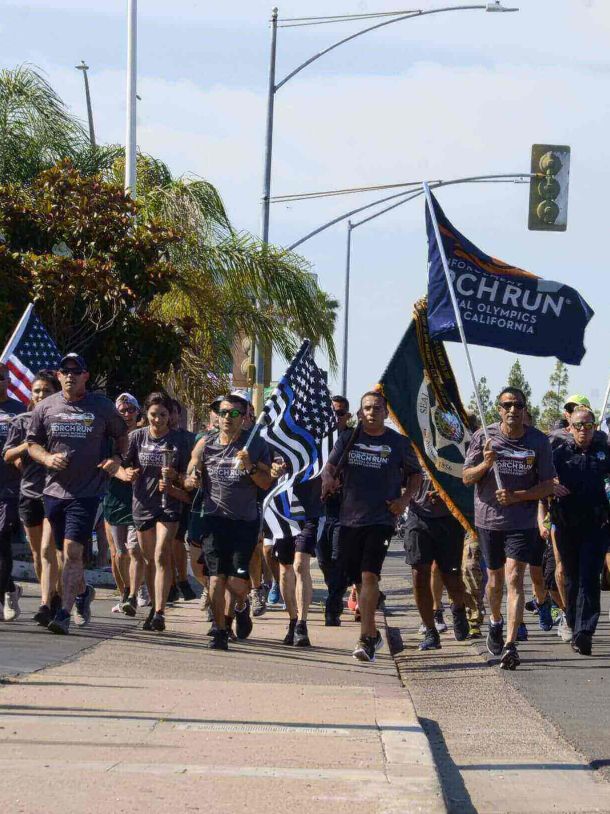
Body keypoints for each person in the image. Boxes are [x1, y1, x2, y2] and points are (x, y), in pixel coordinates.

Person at [27, 353, 128, 635]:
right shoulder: (46, 407)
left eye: (76, 371)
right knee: (62, 555)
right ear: (58, 376)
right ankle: (83, 592)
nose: (70, 375)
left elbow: (123, 434)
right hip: (54, 491)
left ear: (86, 375)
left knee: (73, 552)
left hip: (87, 492)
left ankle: (63, 614)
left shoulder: (102, 406)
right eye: (65, 371)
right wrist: (46, 458)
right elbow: (32, 443)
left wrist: (117, 459)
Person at [322, 391, 422, 663]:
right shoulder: (348, 438)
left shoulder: (398, 443)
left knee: (369, 577)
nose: (372, 412)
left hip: (381, 519)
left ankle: (366, 638)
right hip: (349, 518)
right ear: (359, 413)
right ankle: (373, 632)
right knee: (357, 579)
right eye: (367, 408)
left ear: (386, 413)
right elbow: (329, 467)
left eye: (377, 408)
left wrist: (403, 500)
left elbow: (416, 475)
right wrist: (328, 481)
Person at [463, 387, 555, 670]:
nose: (513, 410)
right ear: (499, 409)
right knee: (495, 581)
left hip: (521, 521)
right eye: (507, 405)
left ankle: (511, 645)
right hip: (489, 520)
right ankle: (495, 621)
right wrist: (486, 463)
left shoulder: (538, 441)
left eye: (518, 405)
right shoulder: (484, 437)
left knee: (515, 578)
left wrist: (519, 496)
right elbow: (467, 477)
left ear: (525, 409)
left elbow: (548, 484)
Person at [184, 394, 272, 650]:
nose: (227, 418)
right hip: (214, 520)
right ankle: (220, 629)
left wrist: (251, 467)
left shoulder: (254, 444)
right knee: (215, 578)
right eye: (223, 413)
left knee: (236, 583)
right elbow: (191, 476)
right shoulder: (206, 444)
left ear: (245, 418)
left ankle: (241, 606)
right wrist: (193, 480)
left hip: (244, 522)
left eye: (234, 414)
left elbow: (266, 483)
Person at [123, 392, 190, 632]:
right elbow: (122, 464)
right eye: (153, 415)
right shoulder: (137, 437)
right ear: (146, 414)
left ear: (169, 416)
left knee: (162, 554)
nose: (158, 420)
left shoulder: (179, 441)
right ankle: (153, 605)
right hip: (142, 503)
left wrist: (176, 478)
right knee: (149, 559)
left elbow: (189, 478)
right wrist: (126, 473)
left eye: (163, 415)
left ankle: (161, 611)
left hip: (169, 504)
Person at [550, 407, 610, 655]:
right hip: (566, 524)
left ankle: (585, 631)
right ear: (569, 427)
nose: (582, 430)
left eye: (587, 425)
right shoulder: (558, 453)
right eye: (577, 425)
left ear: (595, 427)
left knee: (589, 578)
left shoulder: (605, 452)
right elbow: (540, 478)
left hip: (596, 525)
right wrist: (551, 485)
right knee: (571, 578)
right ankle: (574, 624)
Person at [3, 370, 61, 625]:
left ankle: (46, 603)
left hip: (55, 491)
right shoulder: (21, 420)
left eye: (46, 391)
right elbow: (8, 455)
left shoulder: (61, 421)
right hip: (28, 492)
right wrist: (26, 448)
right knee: (38, 553)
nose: (40, 395)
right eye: (36, 390)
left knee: (49, 550)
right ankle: (58, 593)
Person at [404, 478, 470, 651]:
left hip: (449, 518)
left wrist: (447, 494)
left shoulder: (460, 449)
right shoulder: (411, 450)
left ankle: (458, 609)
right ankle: (430, 631)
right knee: (419, 574)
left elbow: (467, 477)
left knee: (451, 579)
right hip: (417, 516)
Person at [102, 393, 146, 616]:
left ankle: (134, 595)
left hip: (141, 501)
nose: (127, 414)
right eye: (122, 410)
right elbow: (103, 463)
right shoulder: (108, 438)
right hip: (114, 499)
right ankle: (125, 591)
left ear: (138, 412)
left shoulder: (145, 437)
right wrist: (121, 473)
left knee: (135, 549)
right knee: (119, 552)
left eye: (131, 410)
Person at [274, 478, 322, 647]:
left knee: (300, 564)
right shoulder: (274, 450)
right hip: (282, 512)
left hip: (310, 511)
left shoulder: (319, 450)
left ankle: (302, 624)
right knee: (285, 567)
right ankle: (293, 619)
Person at [317, 396, 351, 626]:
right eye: (330, 414)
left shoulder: (352, 438)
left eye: (339, 414)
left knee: (339, 556)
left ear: (347, 416)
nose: (334, 418)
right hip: (319, 508)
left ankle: (334, 603)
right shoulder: (317, 439)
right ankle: (335, 591)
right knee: (322, 557)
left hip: (346, 509)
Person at [0, 362, 28, 621]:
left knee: (2, 538)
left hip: (9, 487)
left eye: (1, 377)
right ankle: (10, 588)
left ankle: (4, 596)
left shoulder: (18, 412)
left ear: (9, 381)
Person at [167, 398, 196, 603]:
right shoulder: (146, 436)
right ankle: (170, 584)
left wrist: (179, 480)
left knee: (178, 540)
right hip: (157, 497)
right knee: (165, 543)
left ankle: (183, 579)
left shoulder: (189, 439)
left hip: (184, 496)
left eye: (171, 412)